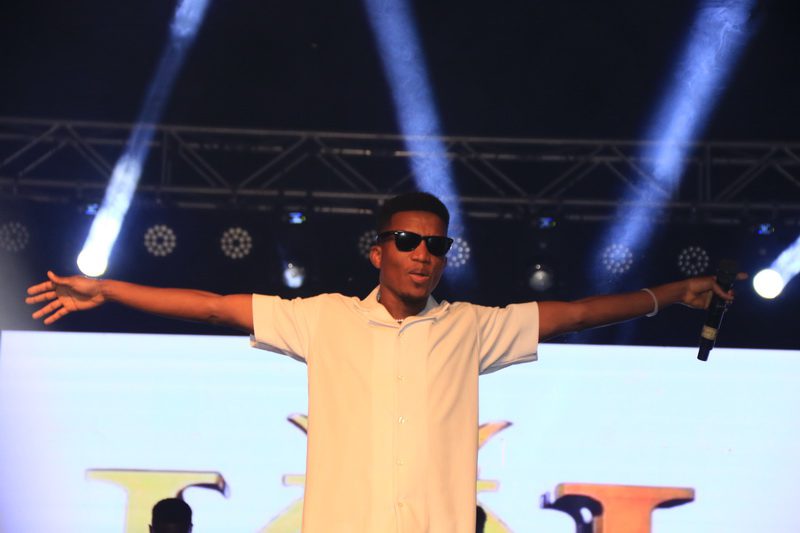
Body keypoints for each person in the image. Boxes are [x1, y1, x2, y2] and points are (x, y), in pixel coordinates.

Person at [26, 192, 742, 533]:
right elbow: (215, 306)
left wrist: (673, 293)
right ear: (378, 251)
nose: (422, 254)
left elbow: (577, 313)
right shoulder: (326, 318)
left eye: (436, 244)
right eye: (407, 240)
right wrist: (108, 290)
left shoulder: (469, 328)